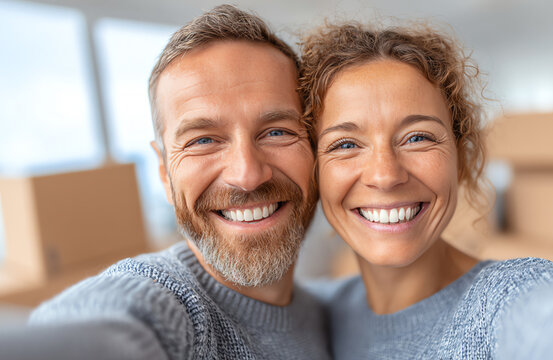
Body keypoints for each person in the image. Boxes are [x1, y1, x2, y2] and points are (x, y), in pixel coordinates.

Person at [24, 5, 330, 359]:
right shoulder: (164, 299)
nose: (246, 175)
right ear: (164, 173)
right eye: (203, 140)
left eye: (276, 132)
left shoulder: (324, 315)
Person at [300, 22, 553, 359]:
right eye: (346, 144)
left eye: (418, 137)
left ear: (461, 159)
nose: (385, 175)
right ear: (314, 172)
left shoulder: (512, 297)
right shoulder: (316, 314)